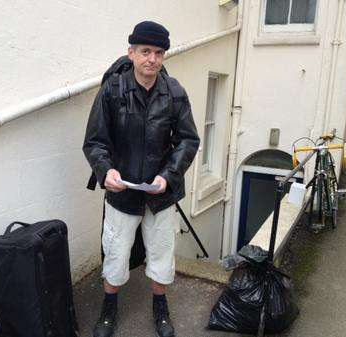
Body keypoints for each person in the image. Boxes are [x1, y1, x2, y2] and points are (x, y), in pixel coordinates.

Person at [82, 20, 200, 337]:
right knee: (116, 253)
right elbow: (95, 142)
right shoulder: (112, 91)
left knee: (161, 252)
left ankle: (160, 308)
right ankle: (109, 308)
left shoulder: (175, 93)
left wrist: (168, 175)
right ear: (131, 52)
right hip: (122, 193)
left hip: (161, 195)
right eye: (145, 51)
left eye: (158, 52)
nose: (152, 59)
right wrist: (106, 171)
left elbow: (189, 140)